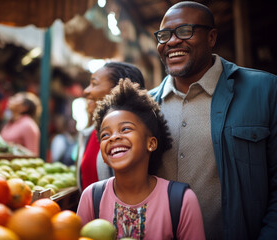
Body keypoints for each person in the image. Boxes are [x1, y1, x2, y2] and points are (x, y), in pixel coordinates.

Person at [148, 1, 277, 239]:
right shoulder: (145, 107)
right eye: (164, 35)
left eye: (185, 31)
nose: (172, 41)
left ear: (211, 37)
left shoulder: (265, 91)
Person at [77, 79, 205, 240]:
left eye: (125, 129)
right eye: (105, 135)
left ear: (150, 143)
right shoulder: (91, 197)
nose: (114, 137)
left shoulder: (182, 200)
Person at [76, 62, 146, 191]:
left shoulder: (135, 138)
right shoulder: (89, 134)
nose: (86, 91)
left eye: (94, 84)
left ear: (118, 89)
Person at [0, 91, 42, 156]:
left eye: (15, 98)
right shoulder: (9, 123)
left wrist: (15, 147)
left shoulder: (28, 125)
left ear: (24, 107)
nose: (11, 99)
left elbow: (33, 154)